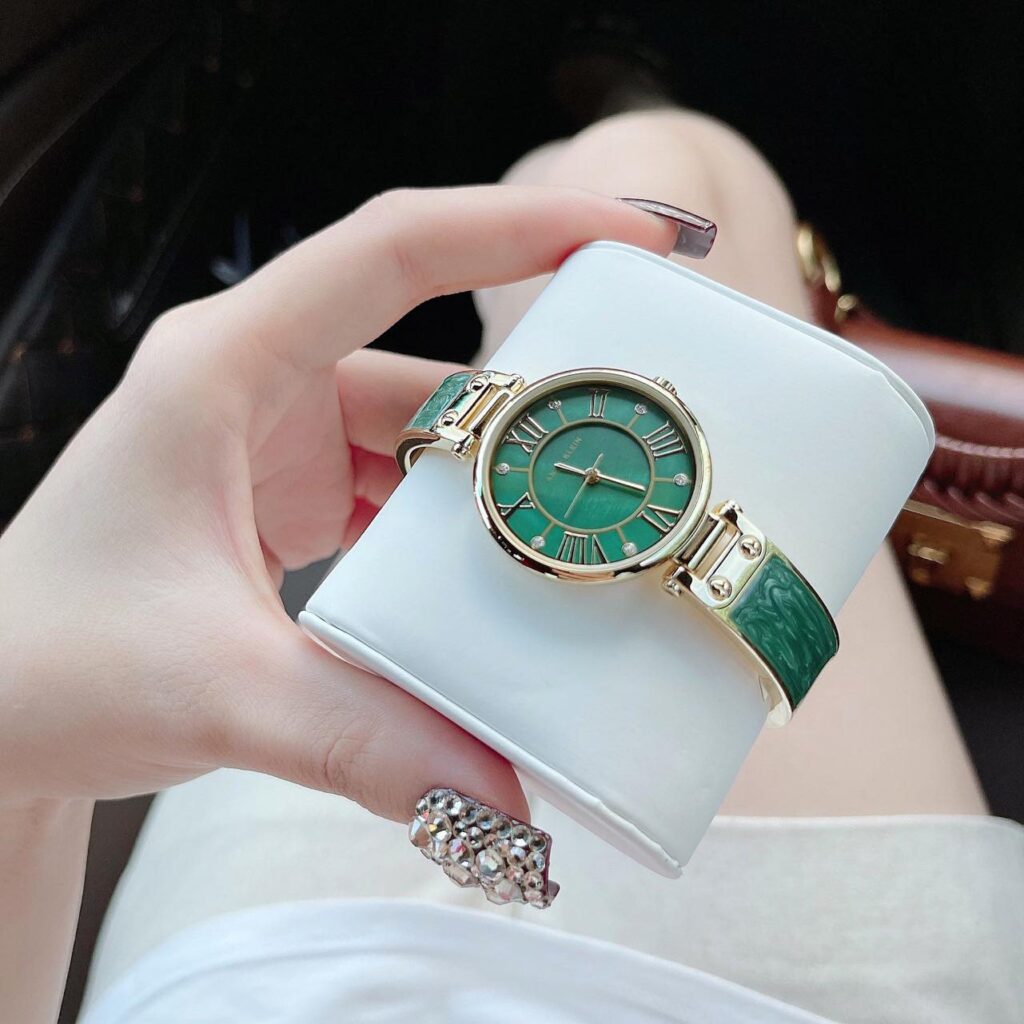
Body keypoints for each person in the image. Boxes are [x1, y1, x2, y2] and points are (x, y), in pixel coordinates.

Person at [1, 107, 1020, 1024]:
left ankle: (569, 153)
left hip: (267, 954)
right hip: (782, 975)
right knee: (660, 158)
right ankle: (598, 125)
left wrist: (19, 778)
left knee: (616, 188)